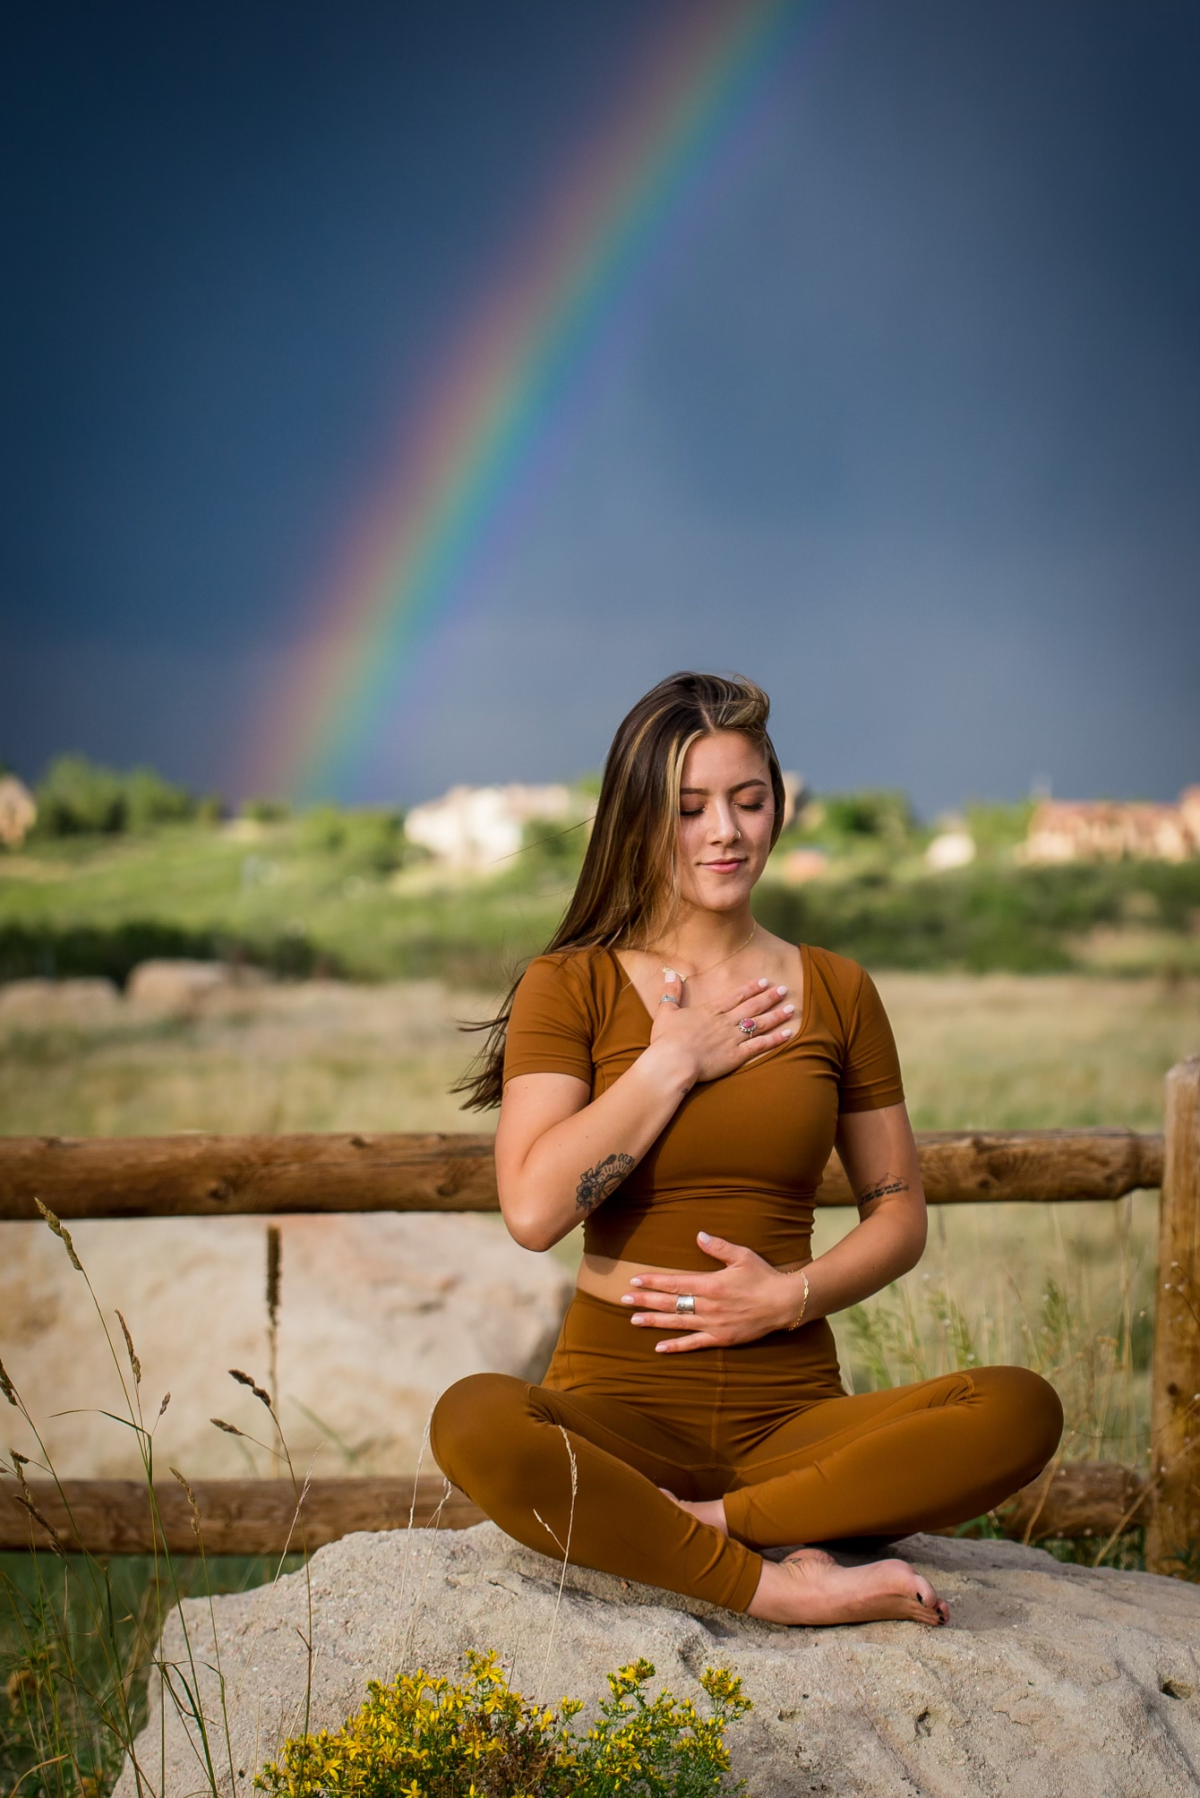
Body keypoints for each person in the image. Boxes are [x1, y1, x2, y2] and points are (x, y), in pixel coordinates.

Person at [432, 672, 1062, 1627]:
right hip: (618, 1405)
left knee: (1020, 1407)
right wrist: (672, 1062)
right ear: (638, 819)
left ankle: (720, 1520)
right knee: (472, 1419)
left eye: (748, 800)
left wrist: (788, 1294)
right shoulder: (571, 986)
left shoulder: (839, 990)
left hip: (793, 1417)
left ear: (778, 807)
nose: (725, 831)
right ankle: (779, 1586)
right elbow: (532, 1210)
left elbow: (898, 1213)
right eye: (690, 808)